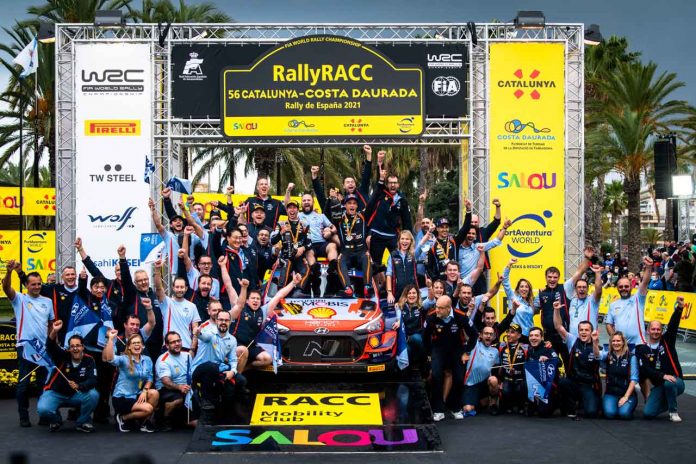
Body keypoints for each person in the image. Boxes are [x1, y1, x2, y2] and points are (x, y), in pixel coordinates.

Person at [3, 260, 55, 427]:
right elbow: (6, 288)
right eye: (33, 284)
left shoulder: (47, 301)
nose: (37, 287)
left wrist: (52, 343)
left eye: (39, 284)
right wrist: (9, 272)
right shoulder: (20, 298)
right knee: (23, 385)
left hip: (43, 349)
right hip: (25, 347)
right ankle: (23, 416)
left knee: (43, 385)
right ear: (26, 285)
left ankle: (43, 415)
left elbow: (50, 324)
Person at [535, 247, 595, 363]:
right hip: (548, 337)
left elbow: (579, 273)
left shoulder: (565, 288)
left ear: (558, 278)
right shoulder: (541, 294)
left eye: (555, 277)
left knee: (570, 364)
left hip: (564, 335)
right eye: (550, 277)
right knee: (550, 366)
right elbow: (532, 311)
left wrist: (587, 258)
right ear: (546, 278)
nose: (552, 280)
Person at [37, 321, 99, 432]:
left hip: (77, 394)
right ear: (69, 348)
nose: (75, 348)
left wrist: (79, 386)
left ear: (83, 347)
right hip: (56, 393)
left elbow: (92, 380)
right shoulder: (61, 356)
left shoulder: (89, 360)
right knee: (42, 409)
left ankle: (82, 422)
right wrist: (54, 331)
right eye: (72, 346)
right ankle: (56, 420)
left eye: (78, 346)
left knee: (93, 395)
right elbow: (51, 346)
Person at [423, 295, 476, 421]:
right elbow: (425, 337)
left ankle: (456, 408)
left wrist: (466, 352)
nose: (437, 310)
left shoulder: (460, 316)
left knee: (458, 378)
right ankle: (438, 410)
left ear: (448, 308)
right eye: (436, 307)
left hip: (457, 350)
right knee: (436, 376)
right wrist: (429, 354)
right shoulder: (431, 316)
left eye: (440, 308)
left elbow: (474, 334)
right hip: (438, 349)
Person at [232, 274, 301, 372]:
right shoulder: (240, 308)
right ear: (247, 301)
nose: (255, 300)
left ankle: (244, 370)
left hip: (251, 346)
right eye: (253, 298)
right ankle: (236, 380)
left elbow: (279, 295)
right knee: (243, 351)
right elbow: (228, 286)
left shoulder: (263, 311)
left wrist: (293, 283)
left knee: (267, 358)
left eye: (258, 299)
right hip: (237, 345)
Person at [74, 267, 117, 423]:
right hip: (90, 350)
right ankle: (79, 411)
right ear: (91, 289)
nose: (99, 289)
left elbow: (115, 323)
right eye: (96, 287)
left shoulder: (111, 304)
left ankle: (102, 412)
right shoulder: (86, 301)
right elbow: (80, 292)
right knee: (86, 380)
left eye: (102, 287)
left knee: (105, 382)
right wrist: (83, 279)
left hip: (106, 349)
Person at [637, 296, 686, 422]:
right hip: (660, 384)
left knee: (670, 384)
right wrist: (663, 376)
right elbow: (646, 370)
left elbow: (673, 325)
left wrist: (679, 308)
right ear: (648, 330)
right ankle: (668, 400)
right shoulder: (643, 349)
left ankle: (673, 411)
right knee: (648, 413)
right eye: (653, 329)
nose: (656, 331)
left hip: (676, 381)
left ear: (661, 330)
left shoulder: (667, 341)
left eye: (658, 329)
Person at [103, 330, 159, 433]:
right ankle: (123, 418)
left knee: (154, 393)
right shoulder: (124, 359)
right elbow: (109, 358)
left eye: (139, 343)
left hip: (136, 394)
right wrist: (111, 339)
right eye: (134, 343)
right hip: (122, 397)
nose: (137, 345)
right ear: (129, 346)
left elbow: (150, 377)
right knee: (148, 409)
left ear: (142, 346)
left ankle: (143, 423)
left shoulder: (147, 360)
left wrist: (145, 390)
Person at [553, 301, 601, 419]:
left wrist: (595, 343)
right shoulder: (572, 341)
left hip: (589, 384)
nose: (584, 332)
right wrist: (557, 310)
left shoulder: (597, 347)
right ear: (578, 331)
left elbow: (598, 357)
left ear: (591, 332)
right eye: (581, 330)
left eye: (586, 330)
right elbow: (558, 326)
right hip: (574, 382)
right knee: (563, 382)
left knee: (591, 413)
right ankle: (571, 407)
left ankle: (589, 401)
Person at [190, 310, 240, 413]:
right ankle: (205, 399)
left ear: (230, 322)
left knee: (241, 379)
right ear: (216, 321)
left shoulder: (232, 339)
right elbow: (203, 336)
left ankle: (227, 411)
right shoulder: (210, 333)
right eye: (221, 319)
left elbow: (233, 359)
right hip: (199, 370)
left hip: (216, 370)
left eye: (226, 320)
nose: (223, 322)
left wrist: (233, 371)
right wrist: (198, 333)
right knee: (211, 366)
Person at [367, 168, 413, 267]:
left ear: (398, 185)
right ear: (387, 185)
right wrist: (381, 174)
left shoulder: (402, 200)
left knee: (398, 263)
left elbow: (407, 220)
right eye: (390, 183)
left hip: (393, 237)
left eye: (395, 183)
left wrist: (409, 237)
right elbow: (375, 192)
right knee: (375, 265)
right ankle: (374, 283)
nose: (392, 185)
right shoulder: (380, 193)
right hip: (377, 235)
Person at [606, 256, 653, 349]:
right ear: (617, 288)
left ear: (631, 287)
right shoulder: (613, 305)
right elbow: (608, 324)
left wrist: (648, 267)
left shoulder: (638, 298)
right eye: (621, 287)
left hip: (638, 345)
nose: (624, 288)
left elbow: (645, 282)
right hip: (620, 347)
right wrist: (615, 338)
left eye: (626, 286)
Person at [154, 260, 201, 351]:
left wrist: (192, 349)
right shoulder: (167, 302)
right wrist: (157, 270)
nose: (179, 290)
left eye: (182, 287)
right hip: (168, 346)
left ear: (186, 288)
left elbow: (195, 330)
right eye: (177, 287)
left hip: (186, 347)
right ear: (173, 287)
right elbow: (159, 287)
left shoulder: (192, 306)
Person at [155, 331, 196, 431]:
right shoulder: (163, 360)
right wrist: (180, 387)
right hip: (167, 390)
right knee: (179, 400)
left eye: (178, 341)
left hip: (186, 389)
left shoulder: (187, 355)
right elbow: (166, 382)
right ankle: (162, 419)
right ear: (167, 345)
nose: (177, 344)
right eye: (173, 342)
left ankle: (182, 419)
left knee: (195, 424)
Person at [270, 200, 312, 294]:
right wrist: (280, 233)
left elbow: (310, 243)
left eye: (294, 208)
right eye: (289, 208)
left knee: (307, 268)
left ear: (298, 210)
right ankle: (280, 292)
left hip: (298, 257)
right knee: (287, 263)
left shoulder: (305, 224)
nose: (292, 210)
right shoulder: (281, 224)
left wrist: (303, 248)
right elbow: (272, 241)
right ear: (287, 210)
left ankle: (298, 291)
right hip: (285, 257)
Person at [462, 324, 502, 416]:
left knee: (494, 380)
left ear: (494, 337)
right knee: (468, 409)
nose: (488, 336)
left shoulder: (495, 351)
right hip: (471, 384)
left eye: (491, 334)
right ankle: (480, 403)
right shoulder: (474, 344)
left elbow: (497, 370)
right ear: (480, 335)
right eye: (486, 333)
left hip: (485, 383)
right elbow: (466, 328)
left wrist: (500, 382)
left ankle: (493, 403)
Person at [600, 332, 639, 420]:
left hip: (626, 393)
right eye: (613, 341)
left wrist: (626, 397)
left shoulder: (631, 357)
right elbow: (597, 356)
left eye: (618, 341)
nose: (616, 343)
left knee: (624, 414)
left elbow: (634, 379)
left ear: (623, 342)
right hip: (611, 393)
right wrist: (595, 342)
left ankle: (629, 404)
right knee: (609, 414)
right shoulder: (608, 355)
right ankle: (613, 405)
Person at [525, 327, 559, 418]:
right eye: (531, 335)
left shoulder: (548, 347)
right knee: (522, 384)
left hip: (548, 383)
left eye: (536, 335)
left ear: (541, 337)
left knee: (544, 413)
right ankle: (531, 404)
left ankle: (555, 404)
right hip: (534, 382)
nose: (533, 338)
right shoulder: (529, 349)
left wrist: (548, 359)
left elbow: (559, 362)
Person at [497, 323, 528, 414]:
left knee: (522, 387)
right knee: (506, 390)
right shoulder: (501, 346)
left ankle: (521, 405)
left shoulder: (525, 347)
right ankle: (507, 406)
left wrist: (546, 343)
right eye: (508, 332)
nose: (508, 334)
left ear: (519, 336)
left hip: (520, 380)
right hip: (506, 379)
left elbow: (538, 346)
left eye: (512, 332)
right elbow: (487, 344)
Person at [567, 264, 604, 337]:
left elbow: (599, 291)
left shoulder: (592, 301)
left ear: (588, 289)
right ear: (576, 289)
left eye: (584, 287)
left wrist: (598, 273)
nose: (581, 289)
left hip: (589, 340)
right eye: (579, 287)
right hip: (574, 341)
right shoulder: (572, 301)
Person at [395, 285, 426, 368]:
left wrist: (429, 287)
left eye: (414, 293)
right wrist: (398, 321)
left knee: (416, 338)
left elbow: (430, 301)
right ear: (405, 295)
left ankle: (424, 364)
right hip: (404, 337)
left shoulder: (421, 306)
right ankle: (406, 374)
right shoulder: (400, 307)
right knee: (407, 350)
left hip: (418, 335)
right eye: (409, 293)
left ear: (418, 295)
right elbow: (398, 318)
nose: (412, 295)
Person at [502, 258, 535, 336]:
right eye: (522, 287)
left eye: (526, 287)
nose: (524, 289)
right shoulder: (513, 298)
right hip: (517, 337)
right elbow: (505, 281)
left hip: (530, 338)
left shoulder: (531, 303)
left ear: (529, 289)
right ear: (518, 289)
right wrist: (509, 265)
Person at [386, 231, 419, 305]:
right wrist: (389, 293)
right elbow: (388, 275)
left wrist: (429, 232)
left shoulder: (413, 254)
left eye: (407, 239)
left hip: (412, 293)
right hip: (398, 293)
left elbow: (421, 244)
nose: (404, 241)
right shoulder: (393, 255)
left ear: (411, 241)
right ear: (399, 241)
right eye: (402, 238)